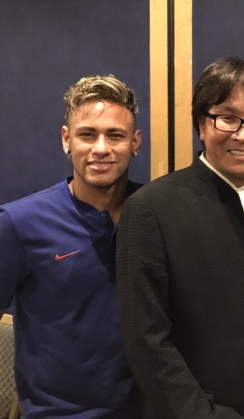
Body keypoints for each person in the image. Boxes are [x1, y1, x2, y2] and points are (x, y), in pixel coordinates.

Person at [116, 57, 244, 419]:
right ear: (201, 123)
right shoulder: (151, 208)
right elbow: (146, 340)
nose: (243, 135)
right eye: (227, 118)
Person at [0, 75, 143, 418]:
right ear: (67, 139)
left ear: (135, 142)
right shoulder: (19, 223)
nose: (101, 148)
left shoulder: (155, 214)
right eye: (87, 135)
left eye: (115, 135)